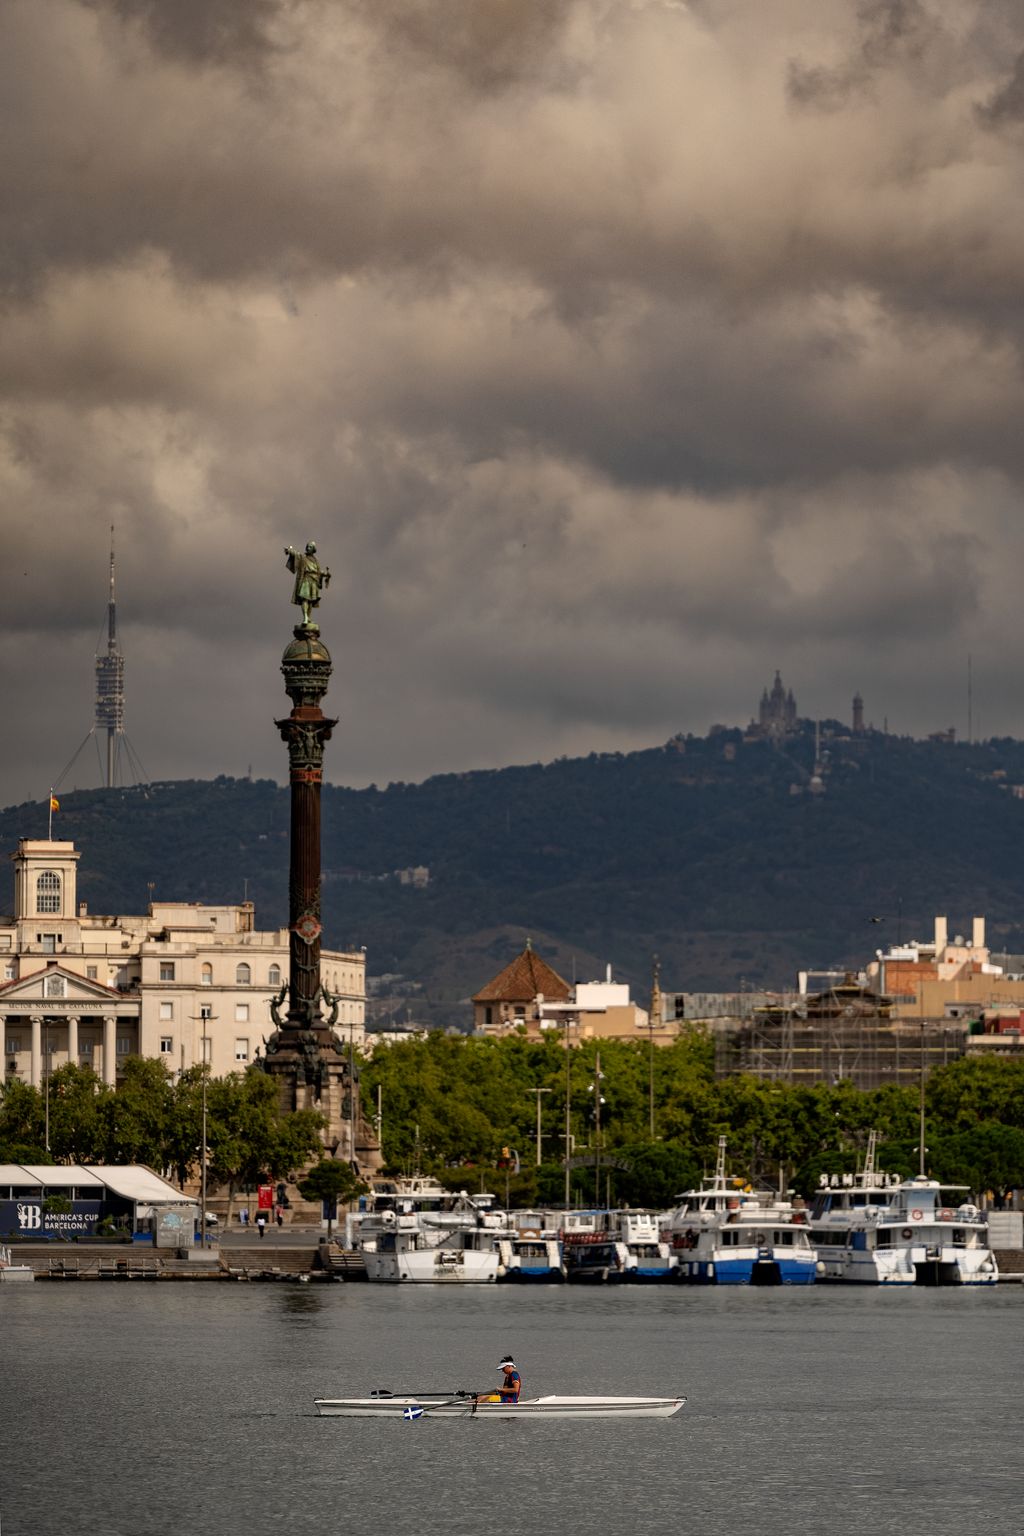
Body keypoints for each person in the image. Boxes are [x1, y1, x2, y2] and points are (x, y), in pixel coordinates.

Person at [284, 541, 331, 627]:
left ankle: (308, 617)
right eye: (308, 547)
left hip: (314, 581)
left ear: (313, 549)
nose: (308, 548)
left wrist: (326, 574)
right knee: (305, 599)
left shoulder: (316, 561)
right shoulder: (303, 558)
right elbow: (296, 554)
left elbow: (318, 572)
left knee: (310, 601)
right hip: (306, 579)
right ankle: (305, 617)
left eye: (310, 547)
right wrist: (289, 551)